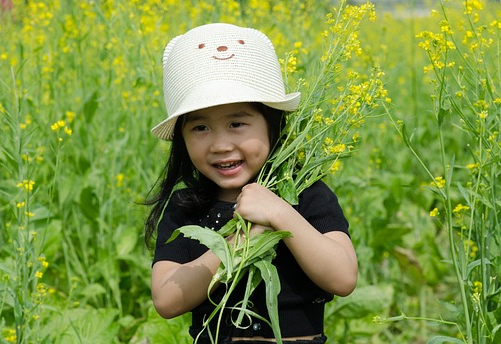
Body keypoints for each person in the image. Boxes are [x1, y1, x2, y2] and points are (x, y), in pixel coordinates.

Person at [144, 23, 358, 343]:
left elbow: (343, 278)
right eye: (200, 128)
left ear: (272, 122)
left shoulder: (306, 195)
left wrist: (280, 214)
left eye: (237, 123)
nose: (220, 144)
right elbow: (166, 299)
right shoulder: (186, 206)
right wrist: (239, 241)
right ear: (181, 139)